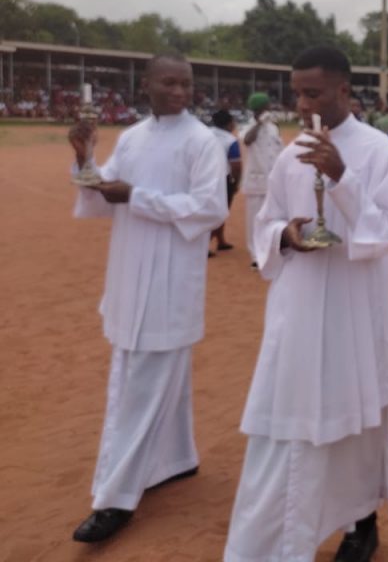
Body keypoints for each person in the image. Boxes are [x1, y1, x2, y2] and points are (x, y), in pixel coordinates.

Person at [223, 46, 388, 562]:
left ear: (345, 90)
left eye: (314, 92)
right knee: (287, 414)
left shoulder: (377, 150)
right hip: (298, 306)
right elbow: (266, 223)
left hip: (355, 307)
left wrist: (343, 178)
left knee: (356, 416)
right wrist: (287, 234)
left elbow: (385, 231)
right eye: (297, 92)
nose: (302, 104)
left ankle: (360, 520)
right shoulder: (288, 153)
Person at [67, 53, 228, 543]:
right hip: (129, 273)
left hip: (170, 280)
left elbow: (209, 208)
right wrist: (84, 158)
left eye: (186, 83)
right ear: (147, 85)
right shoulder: (133, 137)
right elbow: (98, 194)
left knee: (135, 389)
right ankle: (177, 459)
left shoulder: (203, 142)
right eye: (169, 82)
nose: (179, 91)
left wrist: (137, 197)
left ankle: (114, 498)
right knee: (155, 378)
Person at [241, 93, 284, 269]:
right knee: (254, 220)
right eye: (264, 108)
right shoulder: (249, 127)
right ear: (256, 111)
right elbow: (247, 140)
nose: (268, 110)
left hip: (274, 182)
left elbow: (279, 151)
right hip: (256, 182)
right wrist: (258, 123)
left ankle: (271, 250)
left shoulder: (273, 128)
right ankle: (255, 255)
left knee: (273, 217)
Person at [210, 109, 242, 256]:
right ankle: (205, 244)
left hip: (203, 177)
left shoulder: (205, 134)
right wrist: (236, 182)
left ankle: (220, 240)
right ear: (229, 124)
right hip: (222, 179)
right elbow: (236, 165)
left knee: (208, 210)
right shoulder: (230, 140)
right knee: (221, 211)